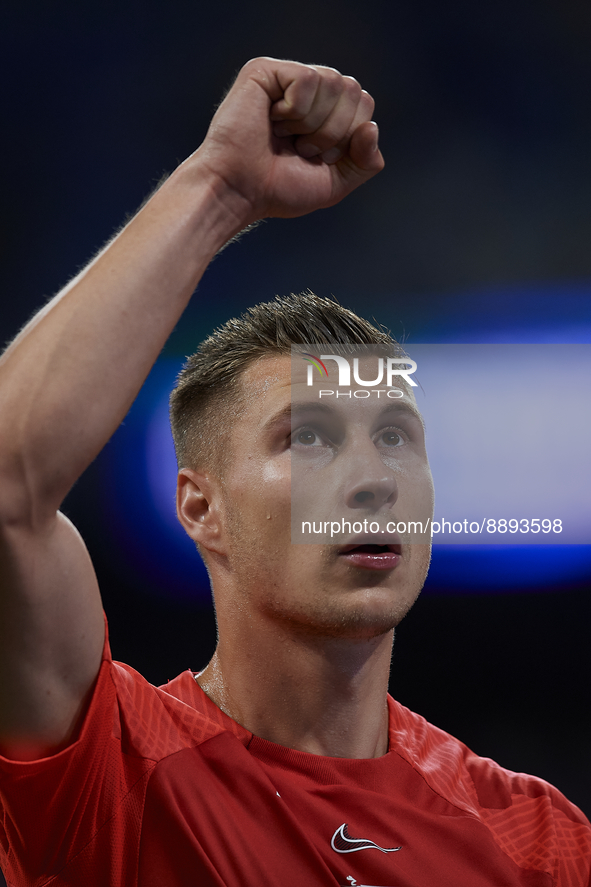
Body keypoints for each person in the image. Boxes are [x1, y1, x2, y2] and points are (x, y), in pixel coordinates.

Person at [0, 57, 588, 887]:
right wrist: (218, 191)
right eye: (307, 438)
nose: (372, 478)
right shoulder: (114, 766)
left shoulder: (540, 840)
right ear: (200, 506)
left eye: (395, 438)